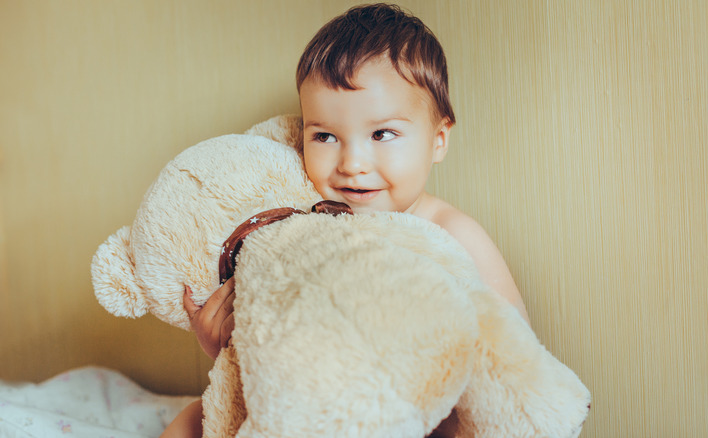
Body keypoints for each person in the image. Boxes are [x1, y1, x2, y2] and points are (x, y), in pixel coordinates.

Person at [161, 3, 530, 437]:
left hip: (419, 416)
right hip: (319, 409)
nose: (353, 163)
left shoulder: (452, 234)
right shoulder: (311, 232)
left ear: (438, 140)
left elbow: (516, 356)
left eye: (382, 134)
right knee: (191, 420)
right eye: (325, 136)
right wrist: (224, 344)